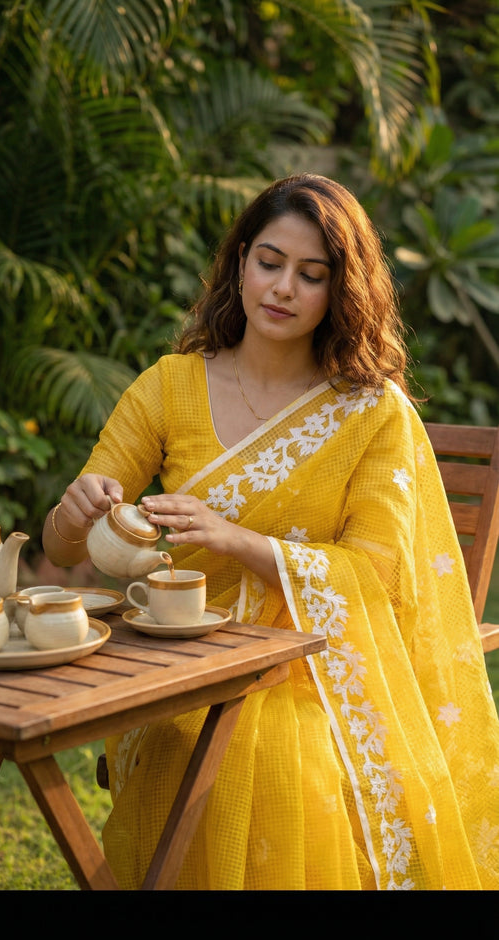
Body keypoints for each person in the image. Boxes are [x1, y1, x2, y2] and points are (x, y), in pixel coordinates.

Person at [42, 173, 499, 891]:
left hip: (311, 671)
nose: (282, 287)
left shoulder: (370, 414)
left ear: (340, 291)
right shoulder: (169, 385)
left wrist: (233, 539)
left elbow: (374, 569)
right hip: (177, 670)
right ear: (240, 262)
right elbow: (67, 546)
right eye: (268, 262)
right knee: (187, 738)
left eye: (310, 274)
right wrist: (73, 515)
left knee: (284, 754)